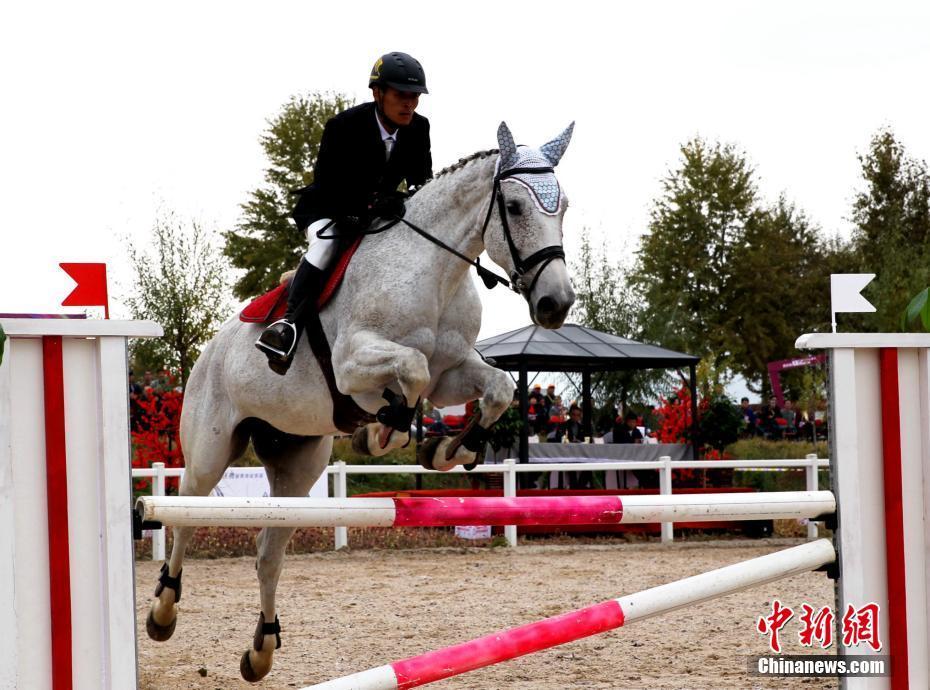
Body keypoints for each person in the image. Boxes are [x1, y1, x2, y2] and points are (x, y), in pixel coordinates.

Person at [256, 52, 432, 373]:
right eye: (401, 96)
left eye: (415, 97)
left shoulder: (419, 128)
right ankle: (287, 326)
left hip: (376, 217)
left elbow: (422, 182)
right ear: (377, 93)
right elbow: (327, 184)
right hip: (329, 209)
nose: (409, 104)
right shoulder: (343, 126)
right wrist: (365, 205)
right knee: (327, 245)